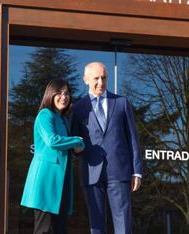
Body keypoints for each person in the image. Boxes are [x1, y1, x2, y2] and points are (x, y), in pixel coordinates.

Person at [72, 62, 142, 234]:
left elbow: (133, 139)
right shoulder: (78, 108)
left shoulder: (122, 103)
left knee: (123, 224)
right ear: (86, 80)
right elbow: (74, 140)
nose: (101, 83)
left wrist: (137, 171)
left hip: (119, 172)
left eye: (104, 78)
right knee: (96, 225)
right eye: (96, 78)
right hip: (91, 172)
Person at [21, 79, 85, 234]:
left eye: (67, 93)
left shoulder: (62, 119)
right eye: (59, 93)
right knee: (44, 230)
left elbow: (71, 147)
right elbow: (52, 141)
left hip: (61, 182)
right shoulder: (45, 114)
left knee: (59, 229)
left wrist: (76, 146)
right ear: (50, 94)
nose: (64, 97)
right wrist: (77, 140)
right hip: (46, 182)